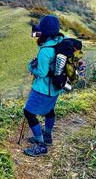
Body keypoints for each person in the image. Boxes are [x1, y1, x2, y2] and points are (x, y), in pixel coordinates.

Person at [23, 15, 65, 157]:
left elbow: (41, 72)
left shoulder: (45, 51)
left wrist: (30, 66)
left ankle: (41, 145)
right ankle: (47, 136)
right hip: (55, 87)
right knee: (49, 110)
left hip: (43, 88)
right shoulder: (61, 42)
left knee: (28, 113)